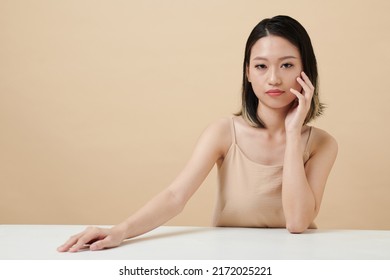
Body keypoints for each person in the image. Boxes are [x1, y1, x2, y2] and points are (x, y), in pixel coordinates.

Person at [58, 15, 338, 253]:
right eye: (261, 66)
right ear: (248, 73)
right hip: (229, 259)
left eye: (287, 65)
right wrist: (120, 231)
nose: (273, 78)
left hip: (299, 259)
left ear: (305, 71)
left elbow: (298, 223)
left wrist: (292, 135)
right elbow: (175, 196)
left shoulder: (322, 144)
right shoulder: (223, 133)